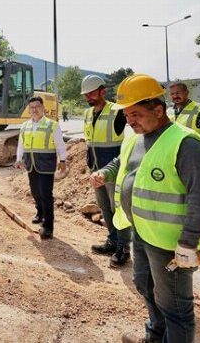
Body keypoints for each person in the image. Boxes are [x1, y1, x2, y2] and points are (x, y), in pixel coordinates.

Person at [88, 74, 200, 343]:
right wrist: (105, 173)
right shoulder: (136, 138)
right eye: (126, 114)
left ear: (158, 110)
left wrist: (188, 244)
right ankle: (154, 336)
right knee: (144, 285)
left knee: (176, 308)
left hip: (173, 243)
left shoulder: (187, 144)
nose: (129, 121)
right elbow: (123, 164)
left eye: (135, 114)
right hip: (142, 233)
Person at [81, 74, 131, 267]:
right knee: (104, 207)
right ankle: (112, 240)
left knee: (117, 208)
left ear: (103, 91)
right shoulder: (87, 114)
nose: (88, 98)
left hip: (113, 168)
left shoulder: (117, 111)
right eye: (86, 95)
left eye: (92, 93)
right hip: (95, 168)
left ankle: (123, 248)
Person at [14, 96, 67, 239]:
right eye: (32, 107)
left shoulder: (52, 125)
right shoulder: (25, 126)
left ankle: (48, 226)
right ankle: (40, 213)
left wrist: (62, 160)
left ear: (43, 108)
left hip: (46, 165)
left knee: (46, 194)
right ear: (28, 109)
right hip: (31, 164)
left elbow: (60, 144)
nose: (34, 109)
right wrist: (18, 159)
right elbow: (21, 144)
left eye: (37, 106)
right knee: (35, 192)